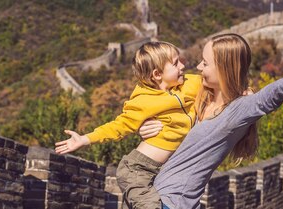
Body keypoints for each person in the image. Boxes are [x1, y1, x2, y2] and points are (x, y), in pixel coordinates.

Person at [137, 33, 283, 209]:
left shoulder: (239, 110)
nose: (198, 67)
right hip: (152, 196)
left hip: (173, 203)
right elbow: (155, 108)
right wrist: (146, 128)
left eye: (205, 63)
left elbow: (275, 91)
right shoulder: (196, 99)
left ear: (224, 68)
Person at [54, 41, 202, 209]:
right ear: (157, 74)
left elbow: (219, 82)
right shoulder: (143, 101)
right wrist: (85, 139)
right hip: (137, 170)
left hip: (163, 169)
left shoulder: (190, 84)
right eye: (176, 63)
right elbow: (119, 126)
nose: (183, 65)